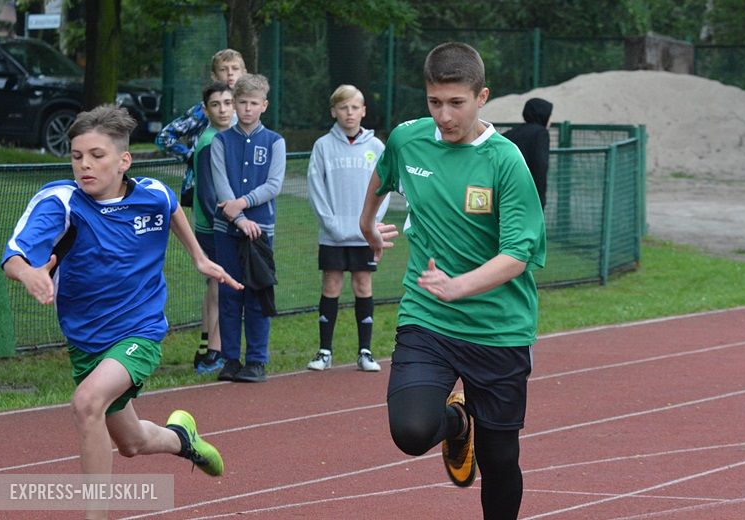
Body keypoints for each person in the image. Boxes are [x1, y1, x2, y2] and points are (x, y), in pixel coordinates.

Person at [1, 105, 243, 520]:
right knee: (131, 443)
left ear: (123, 160)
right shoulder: (61, 202)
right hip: (86, 341)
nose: (85, 165)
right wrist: (28, 274)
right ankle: (182, 438)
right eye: (77, 156)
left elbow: (170, 209)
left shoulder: (152, 193)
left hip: (140, 331)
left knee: (86, 402)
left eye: (97, 155)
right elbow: (13, 256)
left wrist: (200, 259)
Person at [360, 42, 546, 519]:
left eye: (456, 103)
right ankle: (457, 422)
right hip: (429, 317)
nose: (444, 115)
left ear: (482, 96)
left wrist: (461, 285)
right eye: (434, 102)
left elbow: (519, 254)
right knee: (412, 432)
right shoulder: (408, 139)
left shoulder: (505, 161)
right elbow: (382, 178)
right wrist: (366, 224)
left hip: (498, 327)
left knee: (501, 460)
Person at [155, 48, 246, 367]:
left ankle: (213, 345)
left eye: (236, 69)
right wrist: (191, 154)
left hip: (234, 201)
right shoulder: (206, 119)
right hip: (209, 201)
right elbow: (164, 137)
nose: (231, 75)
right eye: (224, 70)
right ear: (214, 77)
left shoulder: (243, 112)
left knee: (218, 281)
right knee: (219, 278)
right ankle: (213, 350)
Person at [305, 84, 389, 373]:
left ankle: (365, 352)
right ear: (334, 111)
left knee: (363, 286)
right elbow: (316, 189)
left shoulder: (377, 147)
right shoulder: (323, 146)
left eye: (355, 107)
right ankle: (324, 352)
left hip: (364, 235)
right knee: (331, 286)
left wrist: (372, 225)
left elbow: (386, 188)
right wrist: (332, 225)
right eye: (343, 107)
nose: (349, 113)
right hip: (333, 236)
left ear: (363, 111)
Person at [210, 73, 286, 383]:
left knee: (257, 293)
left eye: (253, 103)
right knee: (229, 293)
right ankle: (230, 359)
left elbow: (275, 184)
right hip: (227, 230)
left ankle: (256, 359)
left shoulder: (274, 142)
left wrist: (243, 203)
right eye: (241, 103)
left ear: (264, 105)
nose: (247, 109)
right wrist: (238, 217)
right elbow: (219, 183)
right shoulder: (220, 141)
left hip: (260, 232)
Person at [191, 80, 236, 375]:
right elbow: (208, 195)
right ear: (206, 110)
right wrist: (224, 222)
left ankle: (211, 347)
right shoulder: (210, 142)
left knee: (216, 288)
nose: (223, 109)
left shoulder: (226, 137)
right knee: (220, 287)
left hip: (220, 224)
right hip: (212, 228)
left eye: (227, 103)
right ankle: (214, 353)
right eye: (216, 104)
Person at [502, 98, 553, 209]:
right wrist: (540, 200)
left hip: (505, 192)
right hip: (527, 195)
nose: (550, 122)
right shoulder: (541, 133)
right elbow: (540, 165)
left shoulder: (510, 133)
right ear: (543, 115)